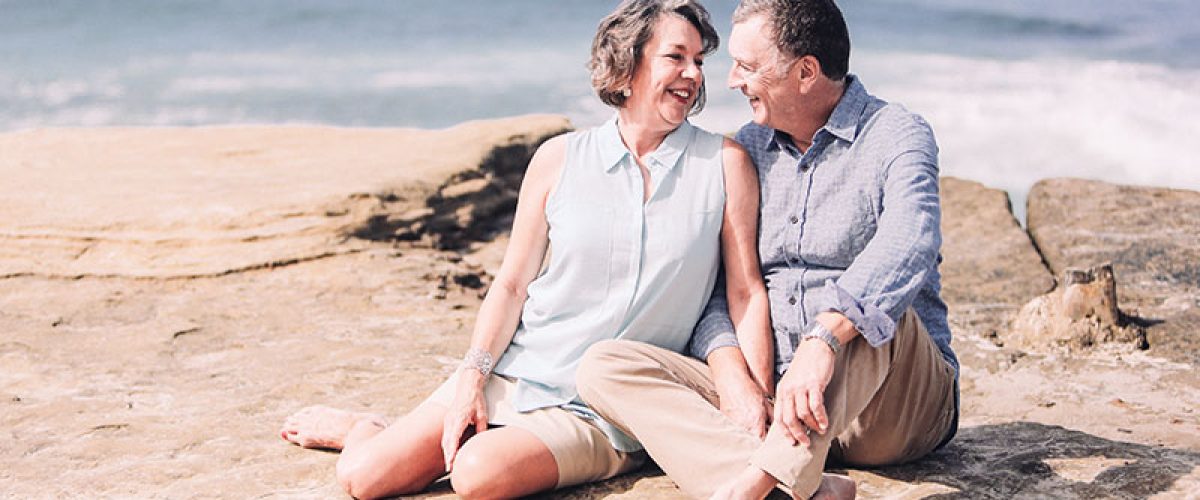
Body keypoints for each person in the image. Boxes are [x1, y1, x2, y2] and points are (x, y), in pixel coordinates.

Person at [278, 1, 774, 498]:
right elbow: (513, 285)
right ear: (626, 66)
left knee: (476, 473)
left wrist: (756, 398)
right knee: (364, 478)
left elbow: (745, 292)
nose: (693, 74)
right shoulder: (559, 159)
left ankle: (469, 439)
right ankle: (366, 429)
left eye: (699, 61)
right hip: (520, 370)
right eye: (676, 57)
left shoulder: (724, 164)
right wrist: (473, 377)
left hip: (609, 408)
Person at [576, 0, 960, 498]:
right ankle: (801, 485)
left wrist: (824, 338)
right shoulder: (748, 149)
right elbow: (720, 286)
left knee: (871, 315)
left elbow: (911, 239)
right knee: (604, 365)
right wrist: (736, 378)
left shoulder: (896, 134)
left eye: (748, 66)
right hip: (777, 393)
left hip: (890, 410)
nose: (732, 80)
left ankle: (755, 485)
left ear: (806, 72)